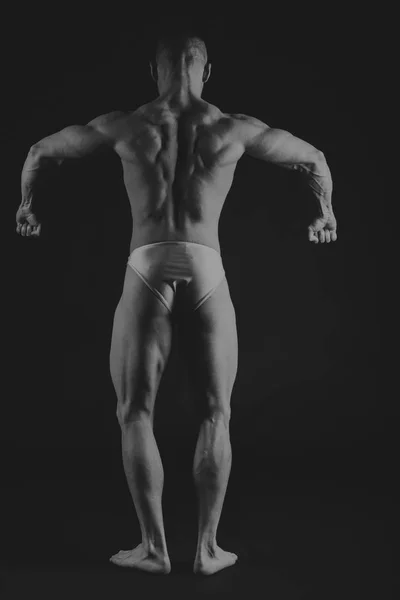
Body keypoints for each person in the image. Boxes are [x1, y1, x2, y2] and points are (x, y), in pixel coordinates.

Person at [16, 32, 337, 575]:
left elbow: (41, 151)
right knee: (218, 410)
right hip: (206, 262)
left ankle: (154, 548)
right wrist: (325, 212)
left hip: (147, 262)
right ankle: (208, 550)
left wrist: (26, 204)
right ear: (207, 72)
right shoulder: (231, 126)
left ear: (153, 71)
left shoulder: (125, 124)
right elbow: (313, 158)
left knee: (134, 410)